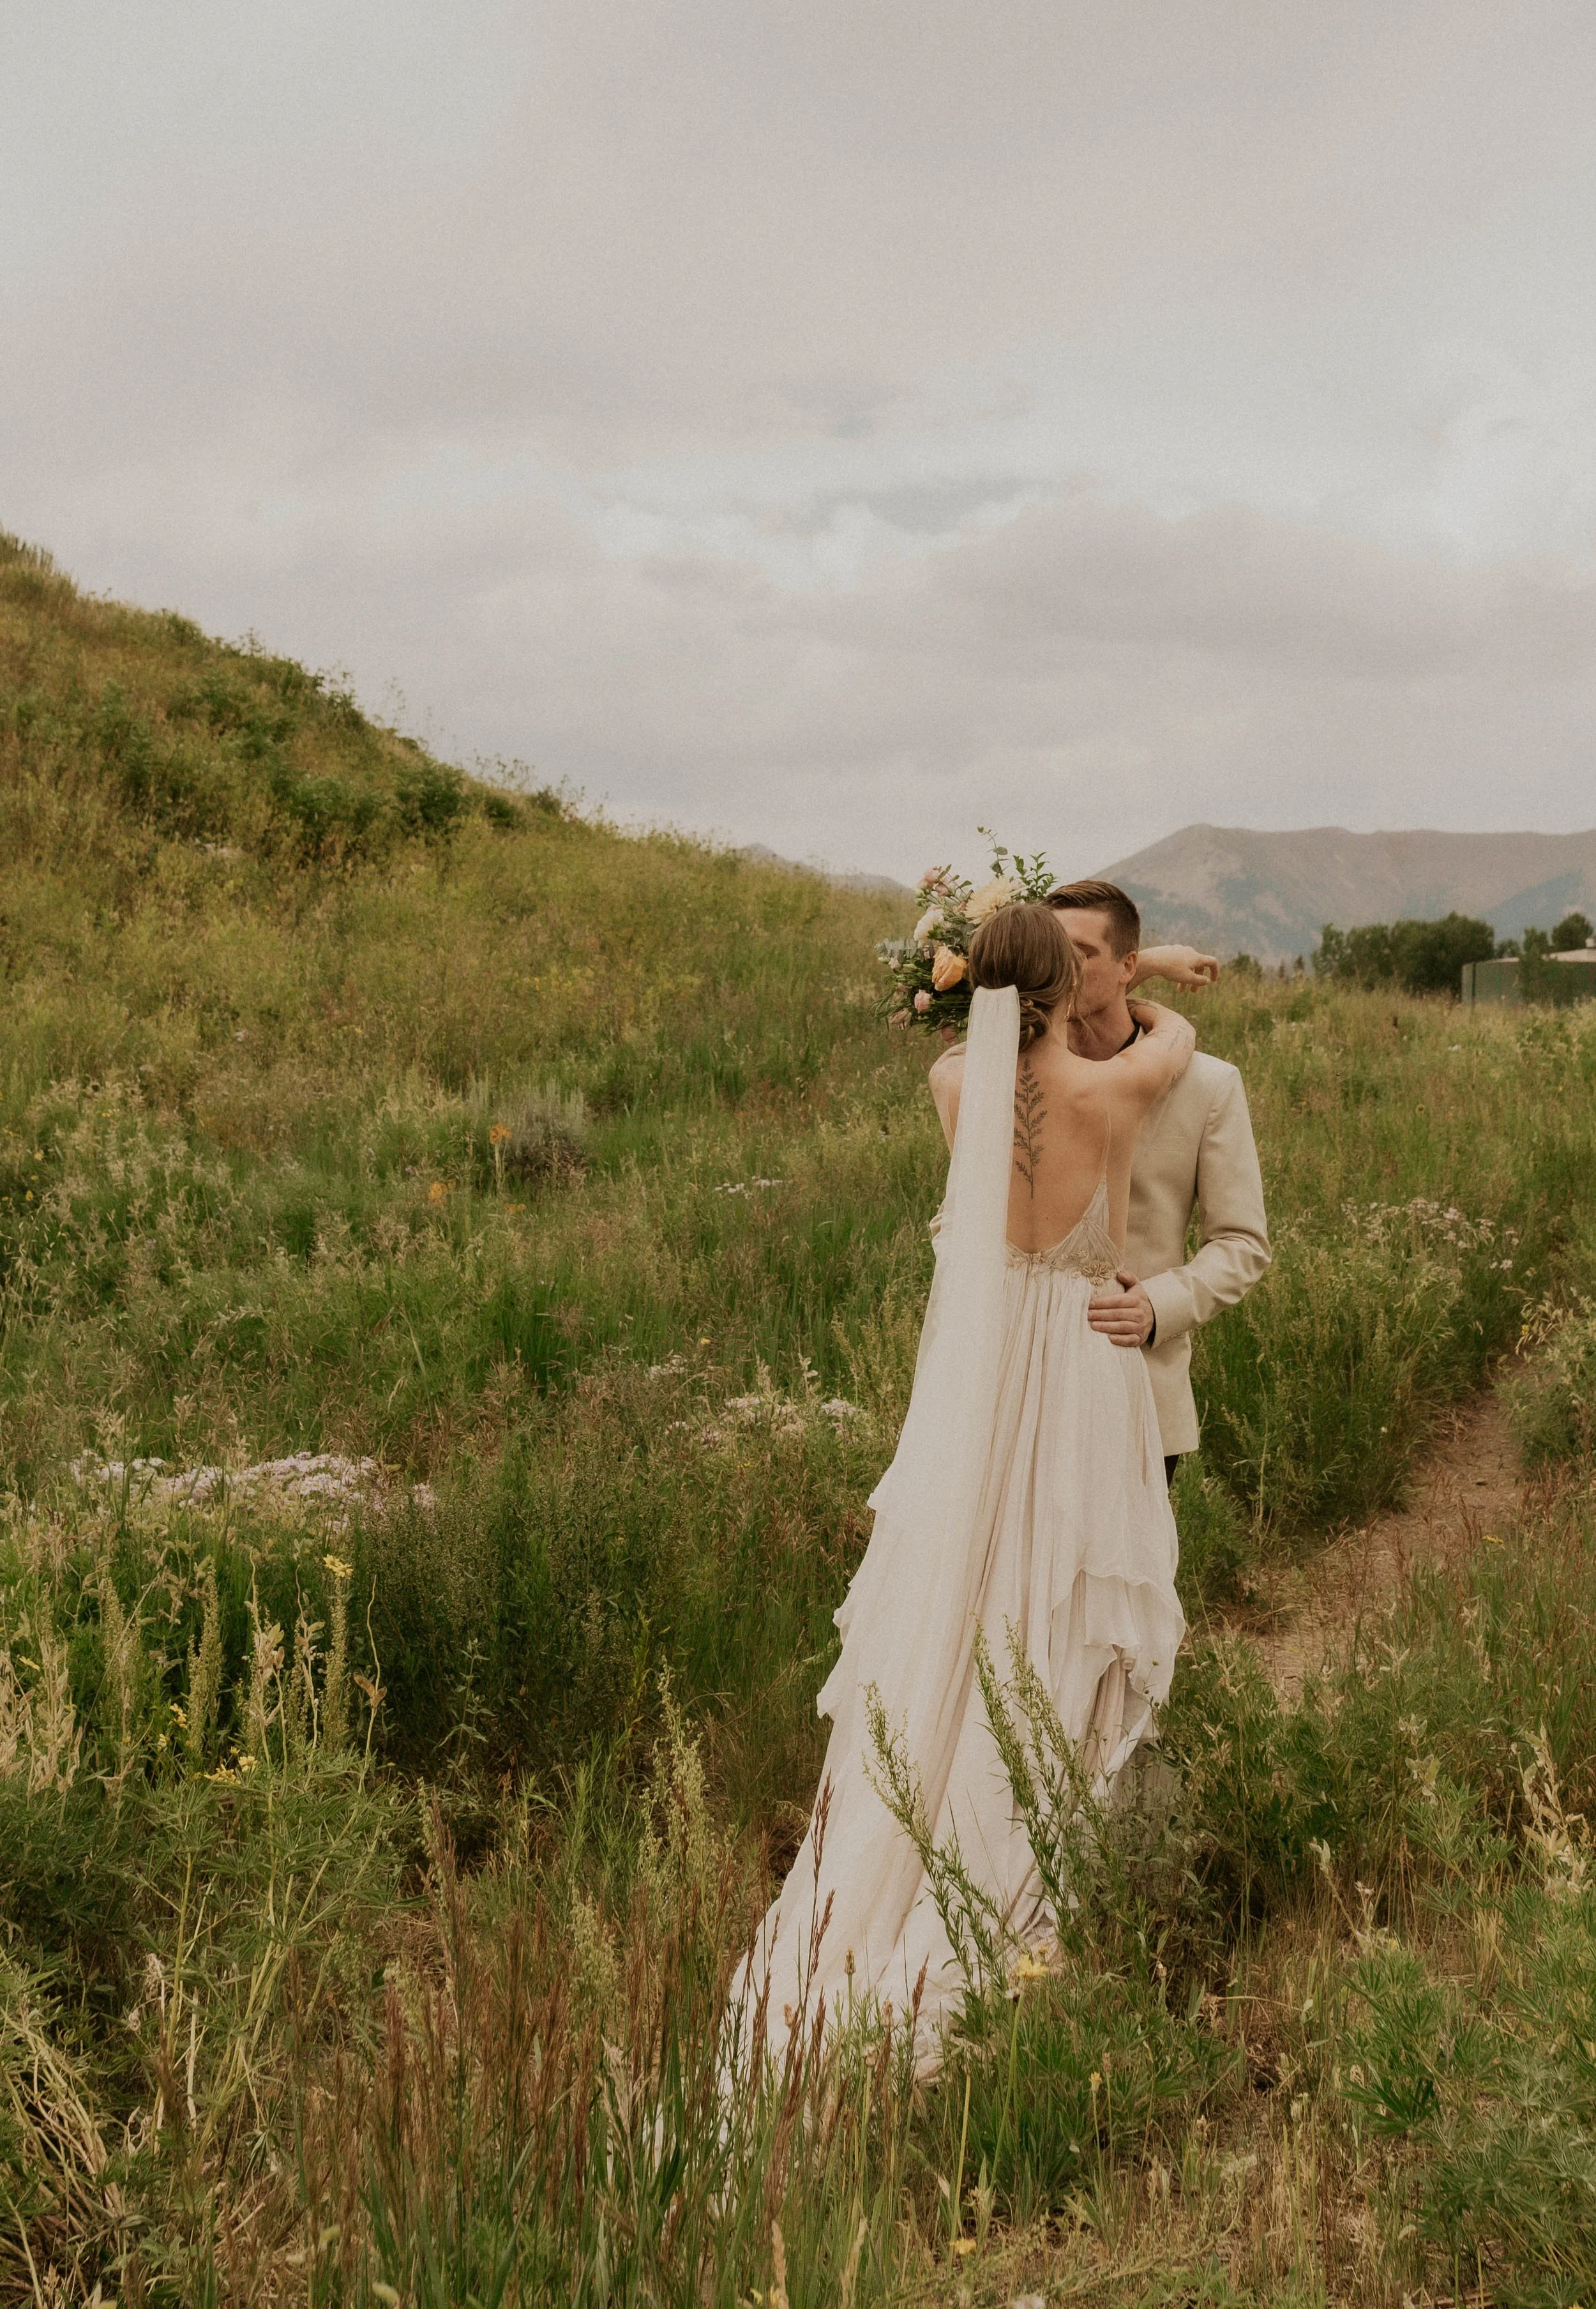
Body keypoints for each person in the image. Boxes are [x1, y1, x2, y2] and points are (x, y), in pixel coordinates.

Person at [737, 903, 1194, 2068]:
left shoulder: (951, 1083)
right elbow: (1169, 1034)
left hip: (989, 1369)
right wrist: (1153, 982)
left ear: (973, 993)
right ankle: (1038, 1837)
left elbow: (996, 1052)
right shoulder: (1119, 1088)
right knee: (1057, 1592)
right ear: (1063, 988)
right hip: (1084, 1353)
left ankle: (938, 1808)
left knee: (978, 1580)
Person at [1046, 881, 1270, 1485]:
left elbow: (1243, 1245)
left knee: (1126, 1581)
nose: (1063, 969)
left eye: (1082, 953)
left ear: (1128, 967)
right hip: (1024, 1385)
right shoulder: (1018, 1075)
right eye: (1051, 950)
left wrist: (1157, 1305)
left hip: (1139, 1387)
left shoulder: (1210, 1085)